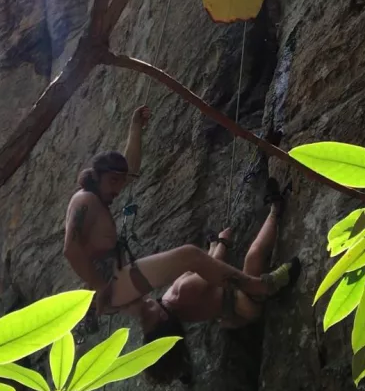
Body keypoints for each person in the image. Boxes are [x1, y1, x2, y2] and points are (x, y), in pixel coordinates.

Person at [64, 106, 297, 324]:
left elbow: (130, 170)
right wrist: (98, 286)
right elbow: (71, 250)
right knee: (189, 256)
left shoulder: (100, 195)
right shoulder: (84, 200)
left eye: (119, 182)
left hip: (117, 280)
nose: (117, 189)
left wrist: (135, 127)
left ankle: (257, 285)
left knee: (191, 256)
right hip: (111, 285)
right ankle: (259, 286)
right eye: (113, 182)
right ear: (96, 176)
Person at [137, 179, 300, 384]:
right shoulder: (181, 294)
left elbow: (201, 267)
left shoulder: (173, 311)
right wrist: (222, 242)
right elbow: (214, 268)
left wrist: (213, 244)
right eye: (147, 318)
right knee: (253, 257)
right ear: (161, 317)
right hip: (243, 302)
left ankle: (182, 371)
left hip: (233, 315)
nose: (142, 313)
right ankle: (276, 209)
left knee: (243, 271)